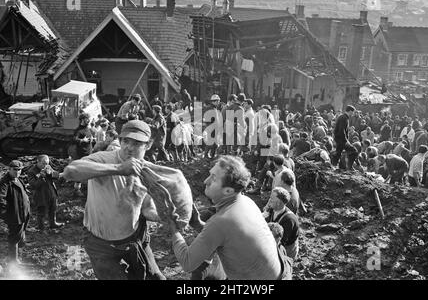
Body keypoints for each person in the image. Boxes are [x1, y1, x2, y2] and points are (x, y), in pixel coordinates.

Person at [152, 155, 287, 280]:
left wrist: (173, 228)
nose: (206, 181)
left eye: (213, 178)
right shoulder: (246, 201)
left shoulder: (220, 221)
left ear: (228, 191)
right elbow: (230, 237)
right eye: (209, 175)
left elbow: (188, 262)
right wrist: (198, 223)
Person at [61, 120, 166, 280]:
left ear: (149, 145)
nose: (129, 147)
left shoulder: (148, 171)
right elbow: (70, 172)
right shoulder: (103, 159)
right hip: (101, 244)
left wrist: (164, 216)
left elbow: (146, 208)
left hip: (135, 238)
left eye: (137, 143)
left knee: (156, 277)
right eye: (125, 141)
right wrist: (118, 169)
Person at [0, 160, 30, 266]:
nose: (17, 172)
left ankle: (19, 253)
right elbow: (1, 200)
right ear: (9, 169)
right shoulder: (4, 182)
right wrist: (6, 215)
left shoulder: (18, 179)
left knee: (21, 234)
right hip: (15, 216)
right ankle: (13, 260)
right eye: (15, 170)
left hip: (23, 213)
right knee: (14, 238)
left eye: (19, 170)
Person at [28, 155, 64, 230]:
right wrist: (41, 177)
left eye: (47, 163)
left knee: (53, 209)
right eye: (43, 163)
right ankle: (41, 228)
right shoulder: (32, 171)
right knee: (41, 212)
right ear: (38, 161)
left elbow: (55, 175)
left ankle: (53, 223)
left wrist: (57, 174)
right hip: (41, 195)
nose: (45, 165)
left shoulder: (48, 167)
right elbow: (34, 185)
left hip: (51, 192)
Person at [263, 187, 300, 260]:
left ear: (279, 203)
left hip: (286, 250)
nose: (269, 200)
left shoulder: (289, 220)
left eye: (272, 199)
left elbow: (281, 242)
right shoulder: (272, 209)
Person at [332, 105, 358, 170]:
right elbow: (342, 130)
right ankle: (349, 167)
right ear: (349, 111)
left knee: (338, 153)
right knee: (354, 151)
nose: (353, 114)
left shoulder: (342, 117)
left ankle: (337, 166)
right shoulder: (344, 118)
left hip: (339, 139)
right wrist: (346, 141)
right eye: (352, 112)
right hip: (342, 140)